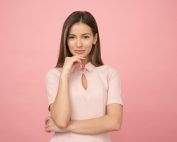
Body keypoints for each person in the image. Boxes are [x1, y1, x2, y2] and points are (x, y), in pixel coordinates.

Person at [44, 11, 123, 142]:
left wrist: (66, 127)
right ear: (66, 40)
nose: (78, 44)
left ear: (95, 39)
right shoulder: (54, 75)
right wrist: (64, 76)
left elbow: (114, 122)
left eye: (85, 37)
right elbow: (61, 120)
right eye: (72, 37)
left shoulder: (109, 74)